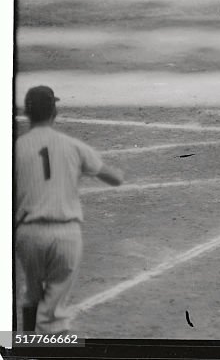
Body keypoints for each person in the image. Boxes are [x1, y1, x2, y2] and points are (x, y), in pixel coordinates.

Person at [14, 86, 125, 333]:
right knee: (54, 316)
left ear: (27, 114)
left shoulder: (15, 148)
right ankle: (50, 346)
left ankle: (28, 346)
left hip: (28, 234)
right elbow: (114, 178)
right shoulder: (71, 145)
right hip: (66, 236)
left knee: (32, 295)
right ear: (55, 112)